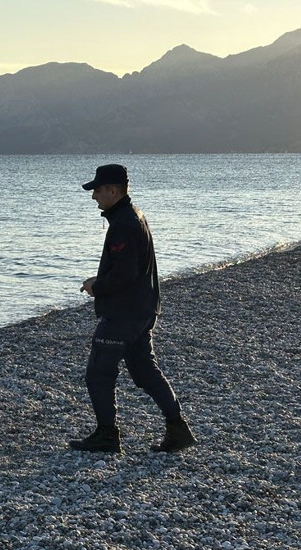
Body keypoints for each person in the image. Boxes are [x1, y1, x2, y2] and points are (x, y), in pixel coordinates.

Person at [70, 164, 196, 454]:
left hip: (124, 313)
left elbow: (125, 274)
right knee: (143, 370)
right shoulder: (131, 216)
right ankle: (178, 429)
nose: (94, 198)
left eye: (98, 191)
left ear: (113, 190)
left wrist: (96, 286)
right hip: (143, 309)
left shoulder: (124, 224)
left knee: (99, 371)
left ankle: (107, 436)